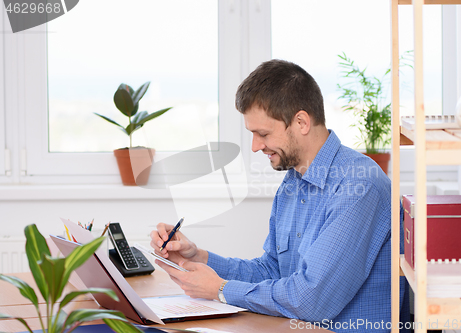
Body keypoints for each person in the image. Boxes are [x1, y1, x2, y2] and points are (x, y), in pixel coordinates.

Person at [150, 59, 410, 332]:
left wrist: (221, 289)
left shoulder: (359, 185)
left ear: (301, 122)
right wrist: (200, 258)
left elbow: (312, 299)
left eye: (263, 133)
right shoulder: (293, 182)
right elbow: (273, 271)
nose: (255, 146)